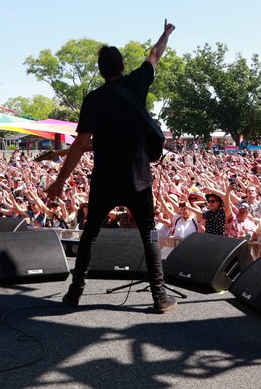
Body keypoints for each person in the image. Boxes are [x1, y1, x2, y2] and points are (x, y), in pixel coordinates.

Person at [46, 21, 178, 314]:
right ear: (121, 66)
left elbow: (79, 145)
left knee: (90, 234)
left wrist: (59, 181)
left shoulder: (93, 100)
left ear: (101, 70)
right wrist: (166, 33)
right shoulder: (137, 82)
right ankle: (159, 297)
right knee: (148, 234)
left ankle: (74, 292)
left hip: (104, 179)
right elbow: (155, 55)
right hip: (138, 179)